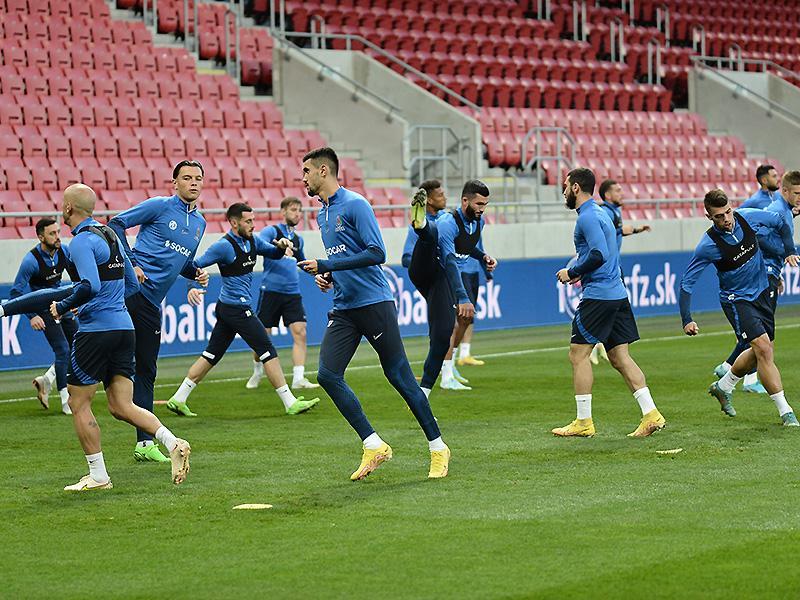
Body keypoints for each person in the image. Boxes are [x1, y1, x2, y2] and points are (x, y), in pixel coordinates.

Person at [0, 184, 191, 490]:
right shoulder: (111, 235)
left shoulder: (80, 242)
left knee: (78, 402)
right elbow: (132, 285)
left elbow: (89, 285)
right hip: (124, 328)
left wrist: (65, 306)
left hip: (95, 333)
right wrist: (98, 303)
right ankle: (173, 443)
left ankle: (98, 476)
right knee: (121, 406)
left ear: (68, 208)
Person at [297, 147, 450, 480]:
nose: (302, 178)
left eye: (306, 171)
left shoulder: (356, 204)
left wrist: (327, 264)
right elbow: (345, 256)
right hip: (344, 306)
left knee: (399, 377)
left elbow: (377, 253)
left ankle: (438, 448)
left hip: (374, 303)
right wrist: (329, 275)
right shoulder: (322, 214)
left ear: (323, 171)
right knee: (327, 375)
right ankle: (373, 444)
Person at [164, 203, 319, 417]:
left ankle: (178, 398)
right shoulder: (223, 246)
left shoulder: (253, 240)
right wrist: (192, 286)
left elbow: (273, 253)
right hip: (236, 309)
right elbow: (192, 264)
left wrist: (282, 246)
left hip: (229, 308)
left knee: (211, 354)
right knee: (267, 350)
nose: (253, 225)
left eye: (253, 220)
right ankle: (290, 402)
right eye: (248, 221)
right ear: (234, 223)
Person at [107, 160, 209, 463]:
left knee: (146, 370)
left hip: (151, 303)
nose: (193, 182)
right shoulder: (160, 206)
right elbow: (115, 224)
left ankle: (144, 444)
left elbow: (182, 261)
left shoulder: (200, 223)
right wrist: (132, 264)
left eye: (198, 178)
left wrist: (196, 272)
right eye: (187, 178)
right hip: (130, 293)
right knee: (115, 359)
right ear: (174, 183)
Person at [553, 168, 666, 438]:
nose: (564, 191)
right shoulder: (602, 213)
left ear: (576, 187)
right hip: (617, 293)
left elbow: (598, 254)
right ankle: (651, 414)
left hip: (599, 296)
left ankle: (583, 421)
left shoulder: (588, 217)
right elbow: (604, 252)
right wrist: (581, 272)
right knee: (619, 356)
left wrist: (572, 271)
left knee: (578, 355)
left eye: (566, 186)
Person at [679, 188, 799, 425]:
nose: (726, 219)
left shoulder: (747, 217)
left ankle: (724, 386)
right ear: (709, 217)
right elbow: (686, 283)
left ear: (731, 207)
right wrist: (686, 319)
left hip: (762, 291)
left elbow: (780, 222)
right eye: (718, 216)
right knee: (763, 348)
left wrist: (789, 251)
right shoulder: (708, 245)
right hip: (737, 300)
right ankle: (786, 412)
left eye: (727, 212)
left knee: (761, 350)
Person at [404, 179, 496, 395]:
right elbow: (449, 259)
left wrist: (483, 257)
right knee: (432, 234)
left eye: (485, 204)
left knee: (443, 333)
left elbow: (466, 246)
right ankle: (421, 225)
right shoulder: (448, 222)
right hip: (426, 269)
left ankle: (424, 392)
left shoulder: (479, 222)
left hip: (442, 278)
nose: (482, 209)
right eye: (479, 204)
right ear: (464, 201)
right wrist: (462, 296)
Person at [712, 171, 800, 393]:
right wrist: (781, 254)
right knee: (761, 336)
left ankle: (731, 371)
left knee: (762, 335)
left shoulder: (784, 209)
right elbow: (756, 235)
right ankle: (733, 371)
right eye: (797, 193)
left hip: (770, 272)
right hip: (763, 274)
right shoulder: (775, 209)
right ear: (785, 191)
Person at [246, 196, 319, 391]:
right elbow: (257, 245)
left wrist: (319, 271)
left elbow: (301, 262)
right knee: (262, 337)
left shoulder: (298, 240)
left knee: (300, 332)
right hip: (271, 291)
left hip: (292, 293)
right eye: (293, 210)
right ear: (283, 212)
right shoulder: (272, 231)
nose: (297, 214)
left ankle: (298, 378)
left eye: (299, 210)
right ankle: (257, 371)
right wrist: (278, 247)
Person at [10, 218, 77, 414]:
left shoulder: (64, 251)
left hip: (62, 305)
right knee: (63, 350)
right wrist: (32, 316)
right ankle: (65, 401)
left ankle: (47, 380)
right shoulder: (31, 261)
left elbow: (77, 277)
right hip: (43, 309)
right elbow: (15, 293)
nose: (57, 237)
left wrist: (76, 301)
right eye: (52, 234)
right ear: (41, 237)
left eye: (58, 232)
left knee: (79, 346)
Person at [592, 179, 651, 365]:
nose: (622, 193)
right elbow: (610, 232)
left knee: (611, 309)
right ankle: (595, 343)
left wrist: (637, 229)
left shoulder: (613, 211)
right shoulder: (606, 212)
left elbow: (618, 231)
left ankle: (599, 343)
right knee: (611, 307)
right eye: (617, 190)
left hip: (612, 269)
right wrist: (626, 229)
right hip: (608, 271)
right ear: (607, 195)